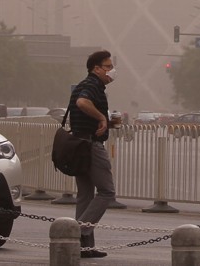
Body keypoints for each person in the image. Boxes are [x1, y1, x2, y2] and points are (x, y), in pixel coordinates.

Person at [69, 50, 118, 258]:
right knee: (107, 192)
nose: (111, 71)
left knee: (86, 195)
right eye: (108, 67)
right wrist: (101, 118)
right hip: (90, 145)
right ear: (96, 68)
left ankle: (83, 247)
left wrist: (108, 122)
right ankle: (79, 231)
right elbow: (82, 103)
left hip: (79, 144)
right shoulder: (92, 85)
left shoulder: (84, 84)